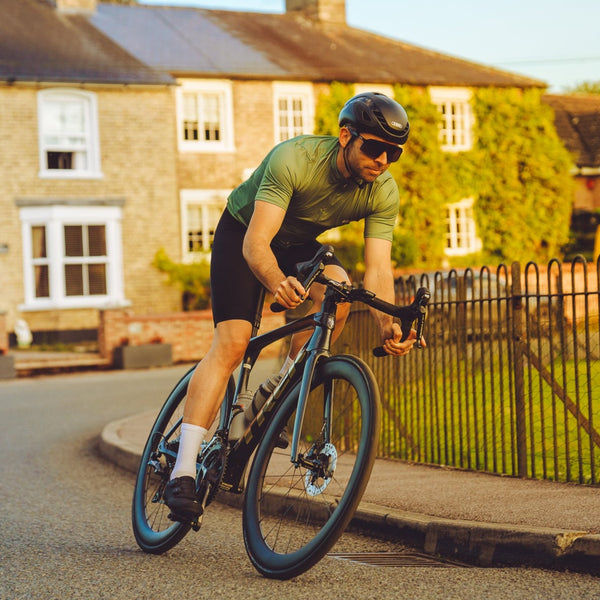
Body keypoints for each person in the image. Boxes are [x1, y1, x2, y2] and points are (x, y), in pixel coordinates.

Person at [164, 91, 421, 519]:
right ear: (345, 136)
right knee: (233, 342)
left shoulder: (383, 191)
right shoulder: (295, 159)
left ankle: (280, 386)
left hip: (298, 244)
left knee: (339, 287)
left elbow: (377, 268)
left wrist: (388, 323)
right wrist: (276, 284)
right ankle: (183, 470)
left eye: (392, 153)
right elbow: (257, 243)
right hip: (245, 233)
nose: (382, 160)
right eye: (374, 147)